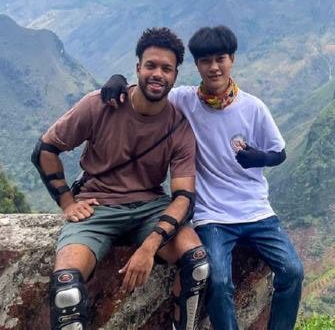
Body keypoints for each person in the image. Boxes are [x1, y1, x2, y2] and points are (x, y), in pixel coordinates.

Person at [102, 25, 304, 330]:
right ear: (197, 65)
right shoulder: (185, 100)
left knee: (292, 271)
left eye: (220, 59)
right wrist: (119, 82)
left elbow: (279, 152)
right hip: (212, 216)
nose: (214, 67)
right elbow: (151, 90)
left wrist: (260, 158)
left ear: (232, 59)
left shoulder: (253, 107)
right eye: (206, 61)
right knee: (218, 281)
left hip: (256, 211)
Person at [32, 27, 209, 330]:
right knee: (66, 290)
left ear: (175, 75)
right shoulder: (100, 104)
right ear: (138, 68)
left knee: (197, 264)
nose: (158, 74)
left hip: (150, 208)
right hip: (97, 206)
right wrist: (67, 202)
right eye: (151, 65)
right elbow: (45, 150)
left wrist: (149, 246)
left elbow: (184, 197)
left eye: (166, 68)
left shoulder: (178, 126)